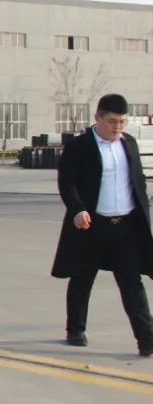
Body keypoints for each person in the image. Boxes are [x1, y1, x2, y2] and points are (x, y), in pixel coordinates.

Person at [51, 93, 153, 355]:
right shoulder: (80, 147)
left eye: (122, 122)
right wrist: (77, 209)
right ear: (97, 117)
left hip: (125, 227)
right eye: (111, 121)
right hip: (92, 226)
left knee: (132, 283)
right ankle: (76, 328)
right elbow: (67, 182)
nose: (117, 127)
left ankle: (147, 339)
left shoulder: (129, 144)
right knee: (82, 278)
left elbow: (137, 180)